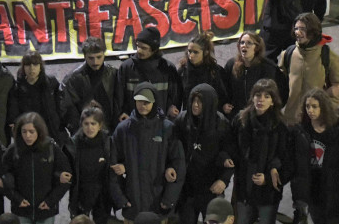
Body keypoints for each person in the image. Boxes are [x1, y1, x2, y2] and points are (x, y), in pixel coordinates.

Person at [109, 82, 184, 222]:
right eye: (139, 101)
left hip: (158, 207)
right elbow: (112, 167)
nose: (142, 105)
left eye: (146, 102)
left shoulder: (167, 129)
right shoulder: (122, 130)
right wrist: (121, 199)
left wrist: (168, 199)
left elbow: (178, 164)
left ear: (154, 101)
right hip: (132, 208)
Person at [229, 79, 293, 224]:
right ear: (252, 97)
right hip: (244, 190)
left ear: (273, 101)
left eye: (267, 96)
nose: (261, 100)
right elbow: (231, 148)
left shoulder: (280, 127)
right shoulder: (240, 121)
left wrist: (268, 180)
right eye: (258, 95)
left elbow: (287, 162)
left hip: (268, 195)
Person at [173, 85, 232, 224]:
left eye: (200, 102)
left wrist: (224, 180)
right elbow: (173, 150)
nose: (195, 105)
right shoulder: (182, 120)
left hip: (211, 189)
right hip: (187, 190)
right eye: (193, 100)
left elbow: (231, 155)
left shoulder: (222, 124)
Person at [295, 88, 339, 224]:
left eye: (314, 106)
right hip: (313, 187)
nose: (310, 110)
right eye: (307, 106)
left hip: (334, 188)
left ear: (323, 107)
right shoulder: (302, 131)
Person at [0, 113, 71, 224]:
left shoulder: (51, 148)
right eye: (24, 131)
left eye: (31, 132)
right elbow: (2, 178)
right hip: (21, 210)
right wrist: (16, 199)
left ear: (39, 131)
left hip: (46, 209)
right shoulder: (13, 150)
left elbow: (67, 177)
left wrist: (50, 201)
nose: (28, 136)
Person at [280, 13, 339, 124]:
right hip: (291, 120)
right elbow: (281, 86)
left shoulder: (327, 56)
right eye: (296, 28)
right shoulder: (288, 54)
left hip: (316, 121)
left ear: (313, 31)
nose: (297, 32)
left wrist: (322, 108)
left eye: (303, 29)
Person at [115, 26, 182, 120]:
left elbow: (175, 96)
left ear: (154, 49)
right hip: (134, 124)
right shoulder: (126, 68)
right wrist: (122, 113)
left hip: (160, 124)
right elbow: (119, 97)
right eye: (138, 46)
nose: (139, 50)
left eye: (144, 48)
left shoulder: (168, 69)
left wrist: (172, 108)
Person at [62, 38, 120, 130]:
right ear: (85, 56)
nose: (95, 62)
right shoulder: (72, 79)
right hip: (85, 129)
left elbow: (119, 102)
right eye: (91, 58)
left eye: (99, 57)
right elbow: (68, 109)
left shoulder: (114, 74)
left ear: (104, 55)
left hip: (111, 127)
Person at [6, 53, 63, 145]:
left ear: (41, 66)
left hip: (51, 131)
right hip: (27, 134)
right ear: (23, 67)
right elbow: (13, 113)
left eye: (35, 64)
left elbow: (60, 105)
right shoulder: (17, 88)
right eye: (28, 65)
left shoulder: (51, 83)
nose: (32, 68)